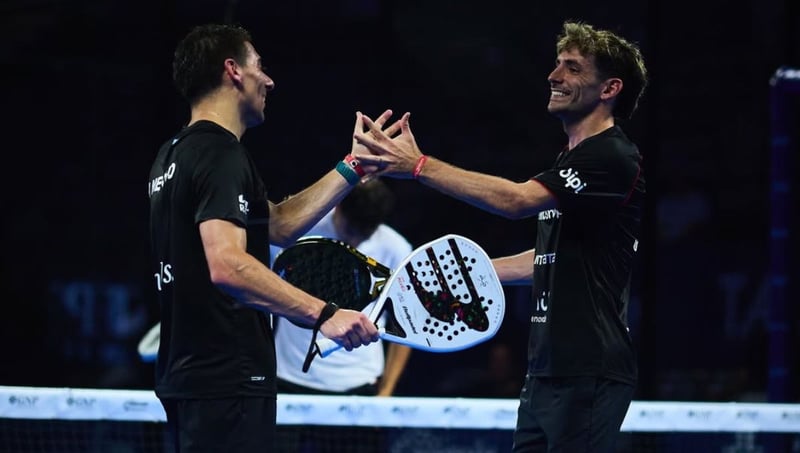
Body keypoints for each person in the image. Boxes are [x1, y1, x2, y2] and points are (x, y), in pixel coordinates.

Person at [352, 20, 648, 453]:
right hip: (547, 369)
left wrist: (418, 166)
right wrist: (464, 274)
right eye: (557, 64)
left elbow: (515, 200)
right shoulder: (573, 160)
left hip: (589, 367)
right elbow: (548, 258)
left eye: (573, 68)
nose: (554, 75)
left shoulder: (612, 156)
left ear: (610, 88)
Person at [148, 23, 392, 452]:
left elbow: (277, 225)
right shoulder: (221, 154)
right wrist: (325, 314)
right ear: (233, 70)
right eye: (259, 65)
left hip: (190, 377)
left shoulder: (173, 154)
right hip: (228, 380)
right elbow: (227, 265)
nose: (269, 80)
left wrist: (354, 167)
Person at [271, 178, 413, 452]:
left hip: (358, 389)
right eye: (350, 230)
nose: (355, 241)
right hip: (289, 382)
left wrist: (386, 393)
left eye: (365, 234)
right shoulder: (295, 232)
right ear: (337, 207)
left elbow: (403, 328)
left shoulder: (396, 249)